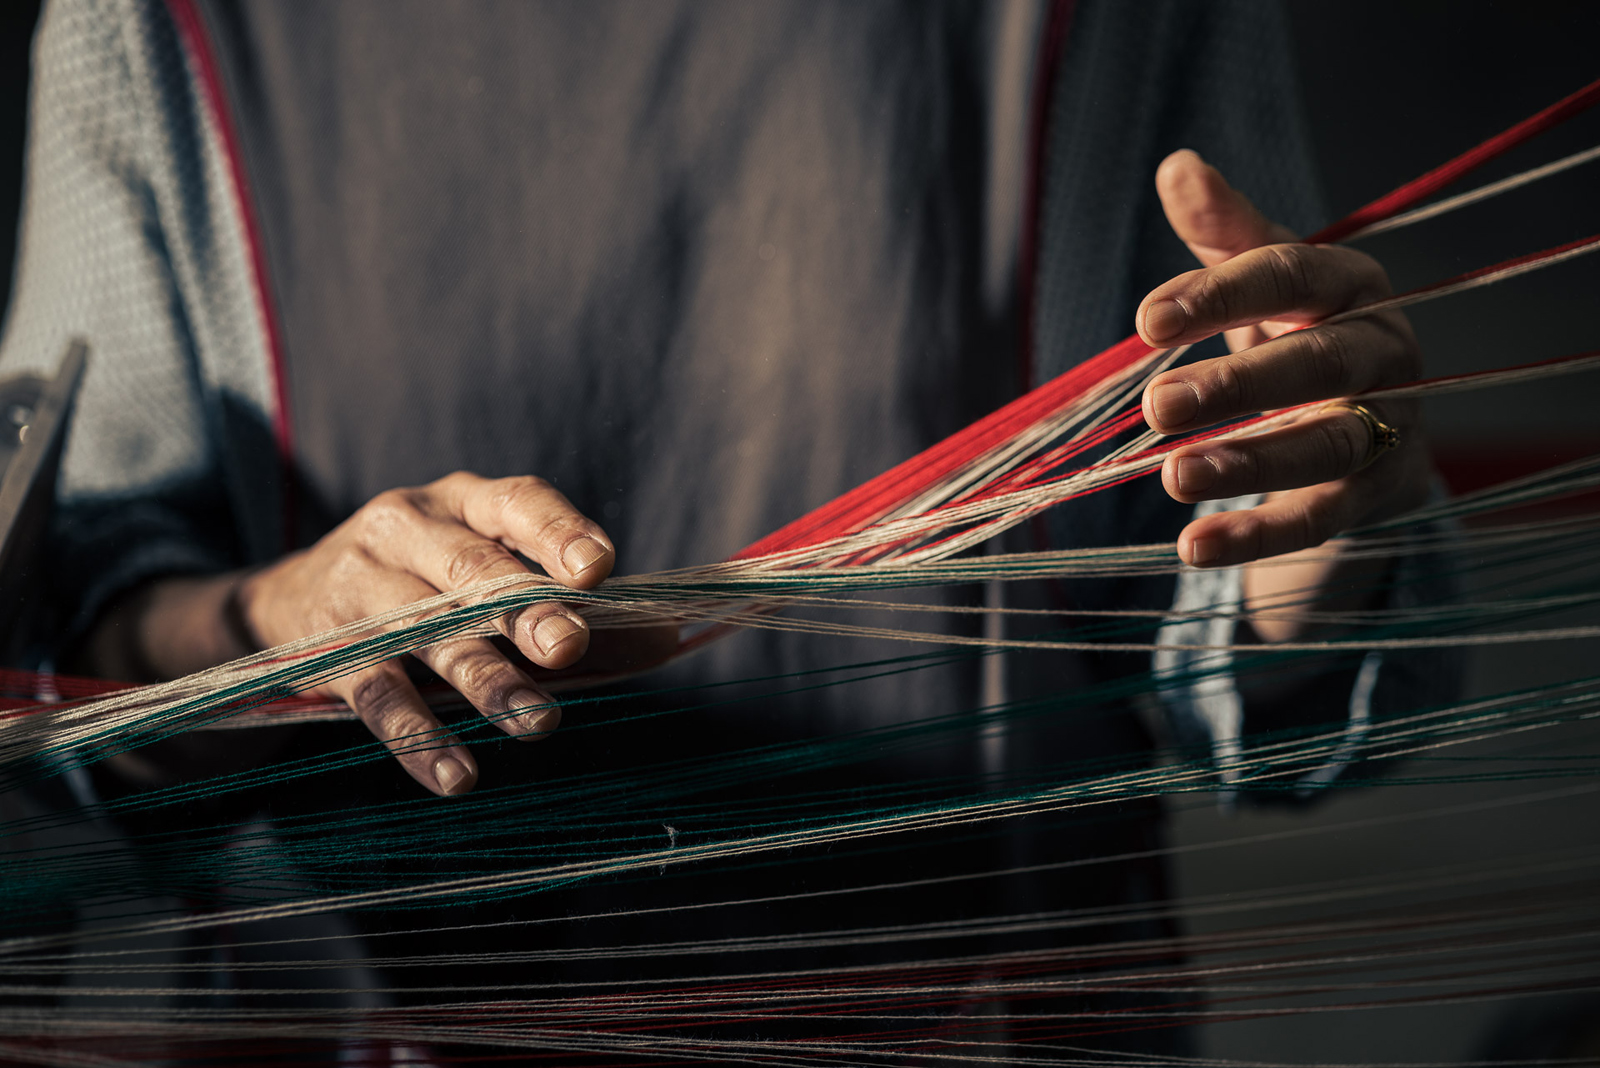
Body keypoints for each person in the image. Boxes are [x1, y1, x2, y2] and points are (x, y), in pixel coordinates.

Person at [0, 0, 1450, 1054]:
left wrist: (1316, 549)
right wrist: (276, 626)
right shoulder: (151, 29)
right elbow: (70, 657)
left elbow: (1232, 624)